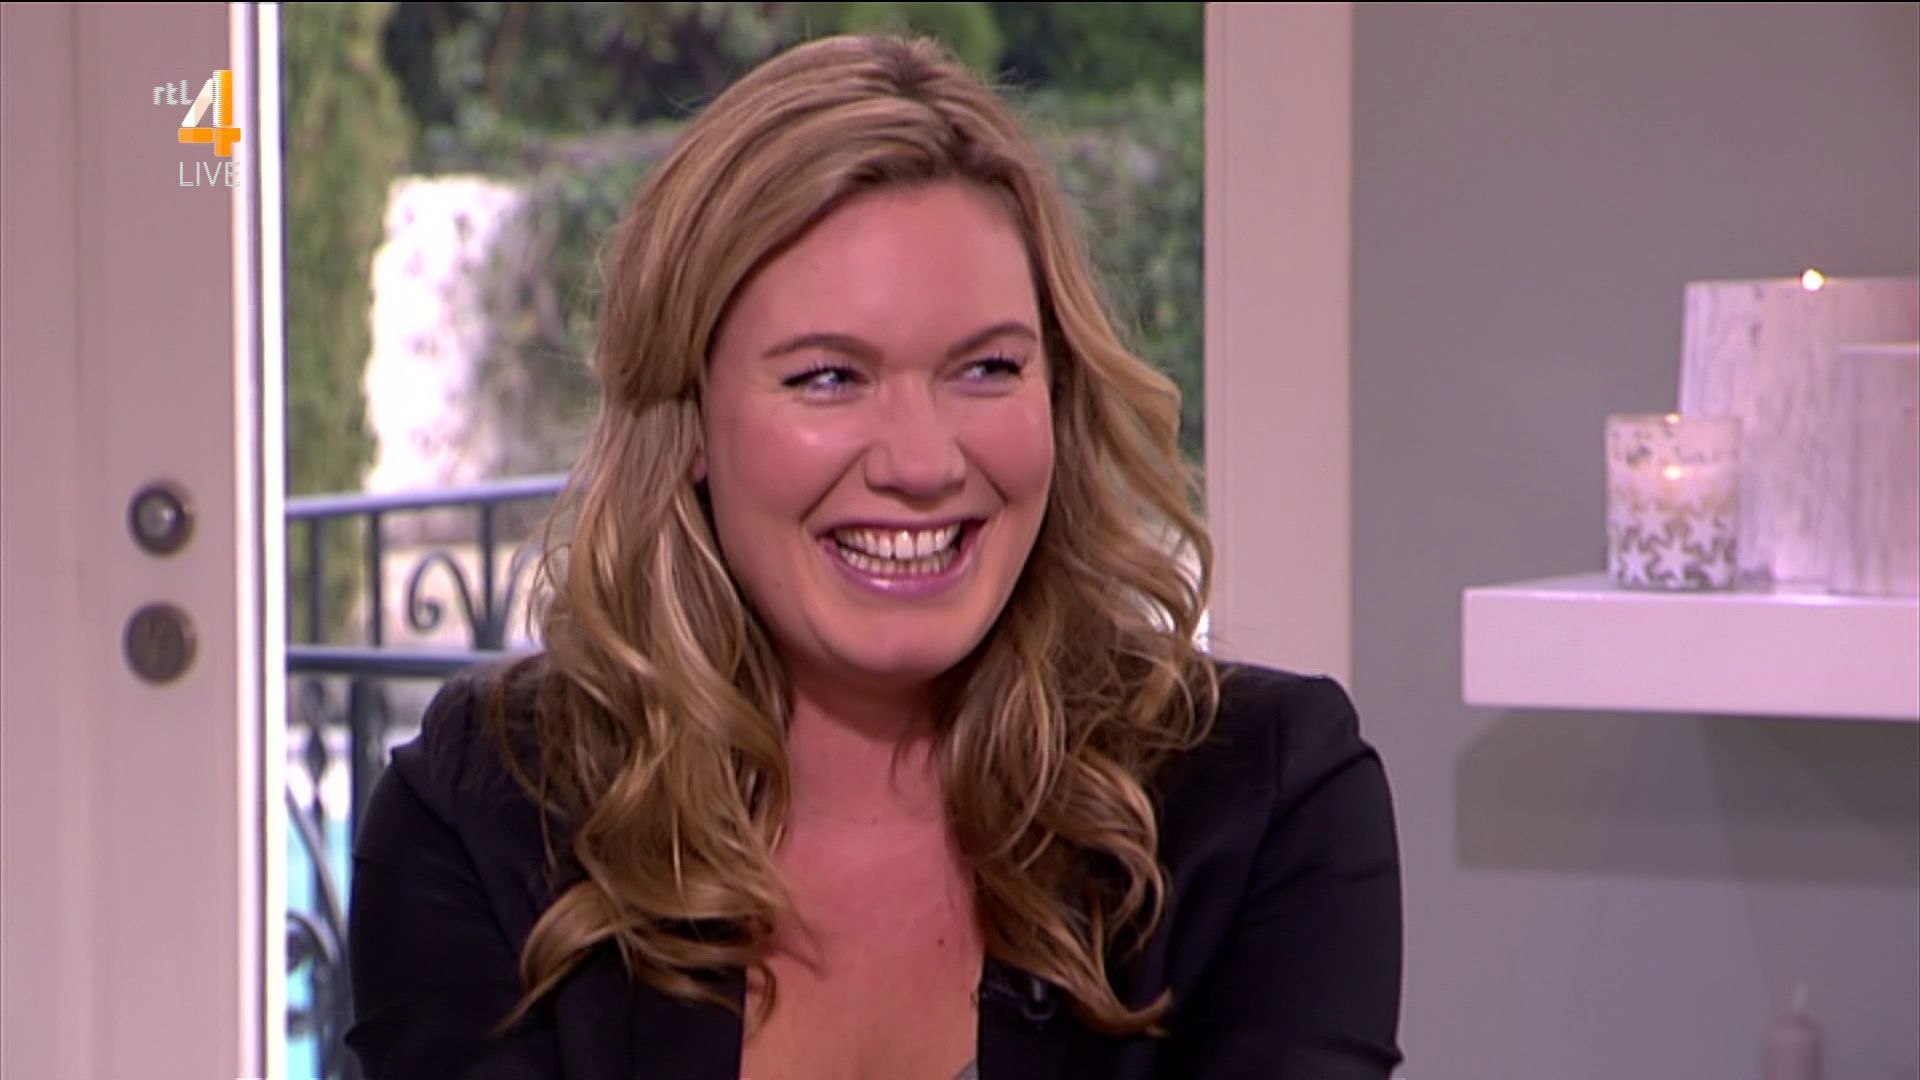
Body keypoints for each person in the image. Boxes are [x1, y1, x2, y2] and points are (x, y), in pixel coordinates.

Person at [345, 32, 1402, 1080]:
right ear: (690, 418)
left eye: (987, 368)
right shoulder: (486, 813)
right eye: (828, 378)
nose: (922, 463)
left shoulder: (1267, 800)